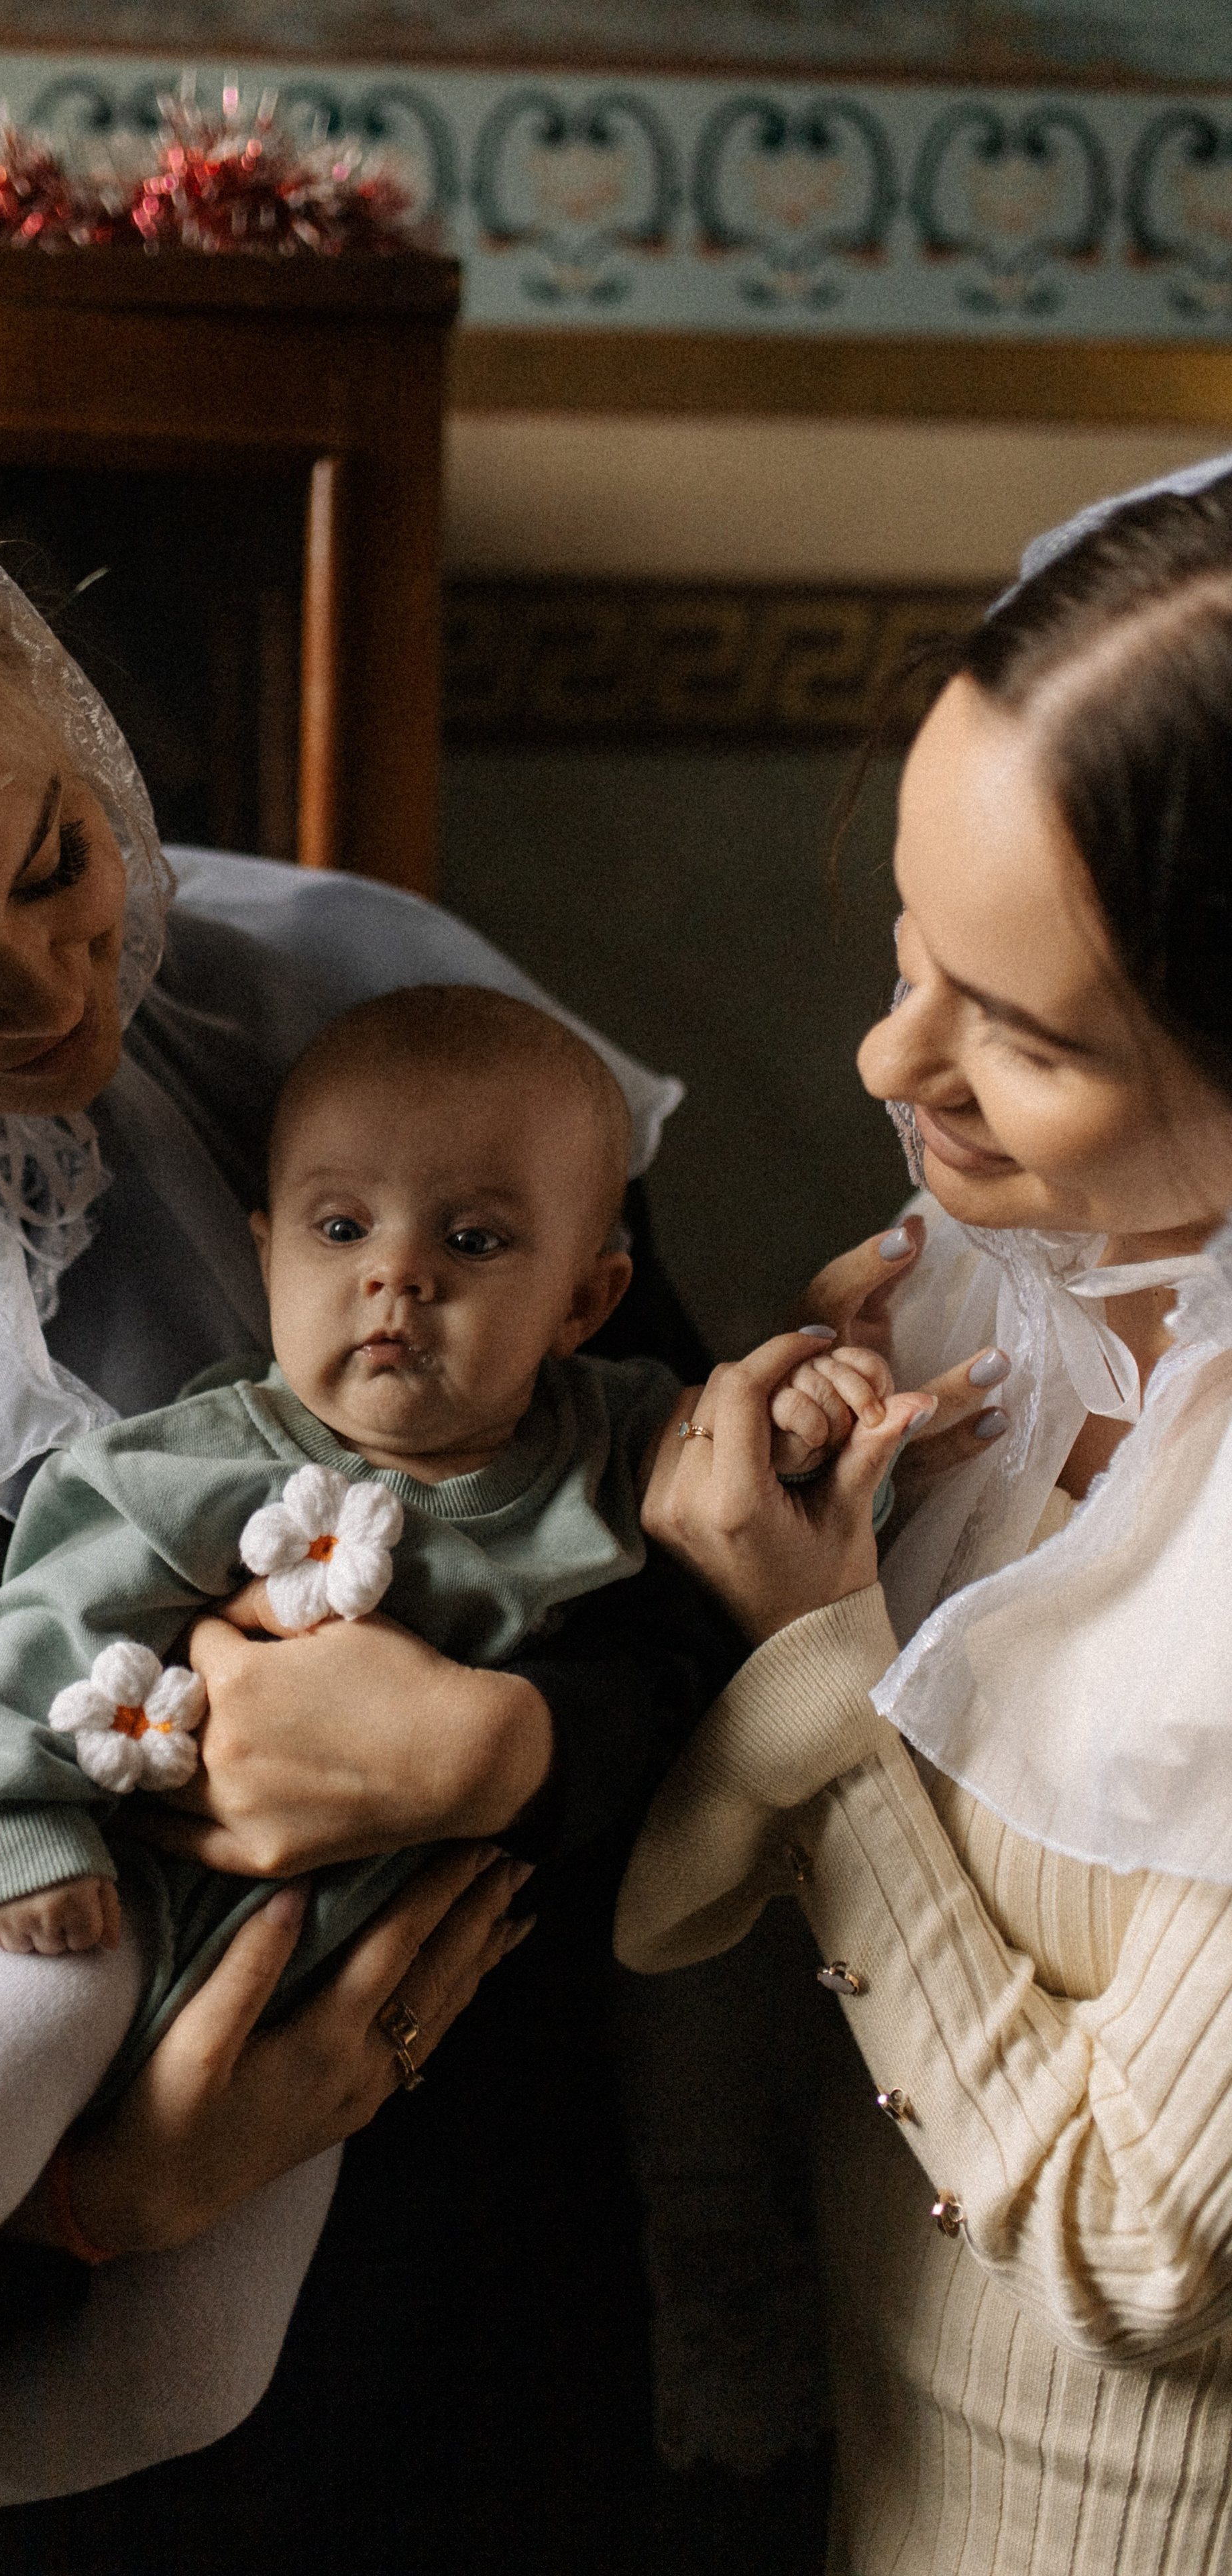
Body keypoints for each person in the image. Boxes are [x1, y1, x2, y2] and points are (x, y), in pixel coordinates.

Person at [0, 447, 732, 2576]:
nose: (58, 998)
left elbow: (695, 1552)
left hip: (468, 2316)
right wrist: (102, 2188)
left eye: (54, 859)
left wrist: (531, 1745)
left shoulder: (367, 1020)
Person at [617, 453, 1232, 2573]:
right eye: (908, 945)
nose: (892, 1058)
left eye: (1027, 1039)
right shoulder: (1006, 1267)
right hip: (863, 2454)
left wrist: (822, 1687)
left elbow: (1141, 2250)